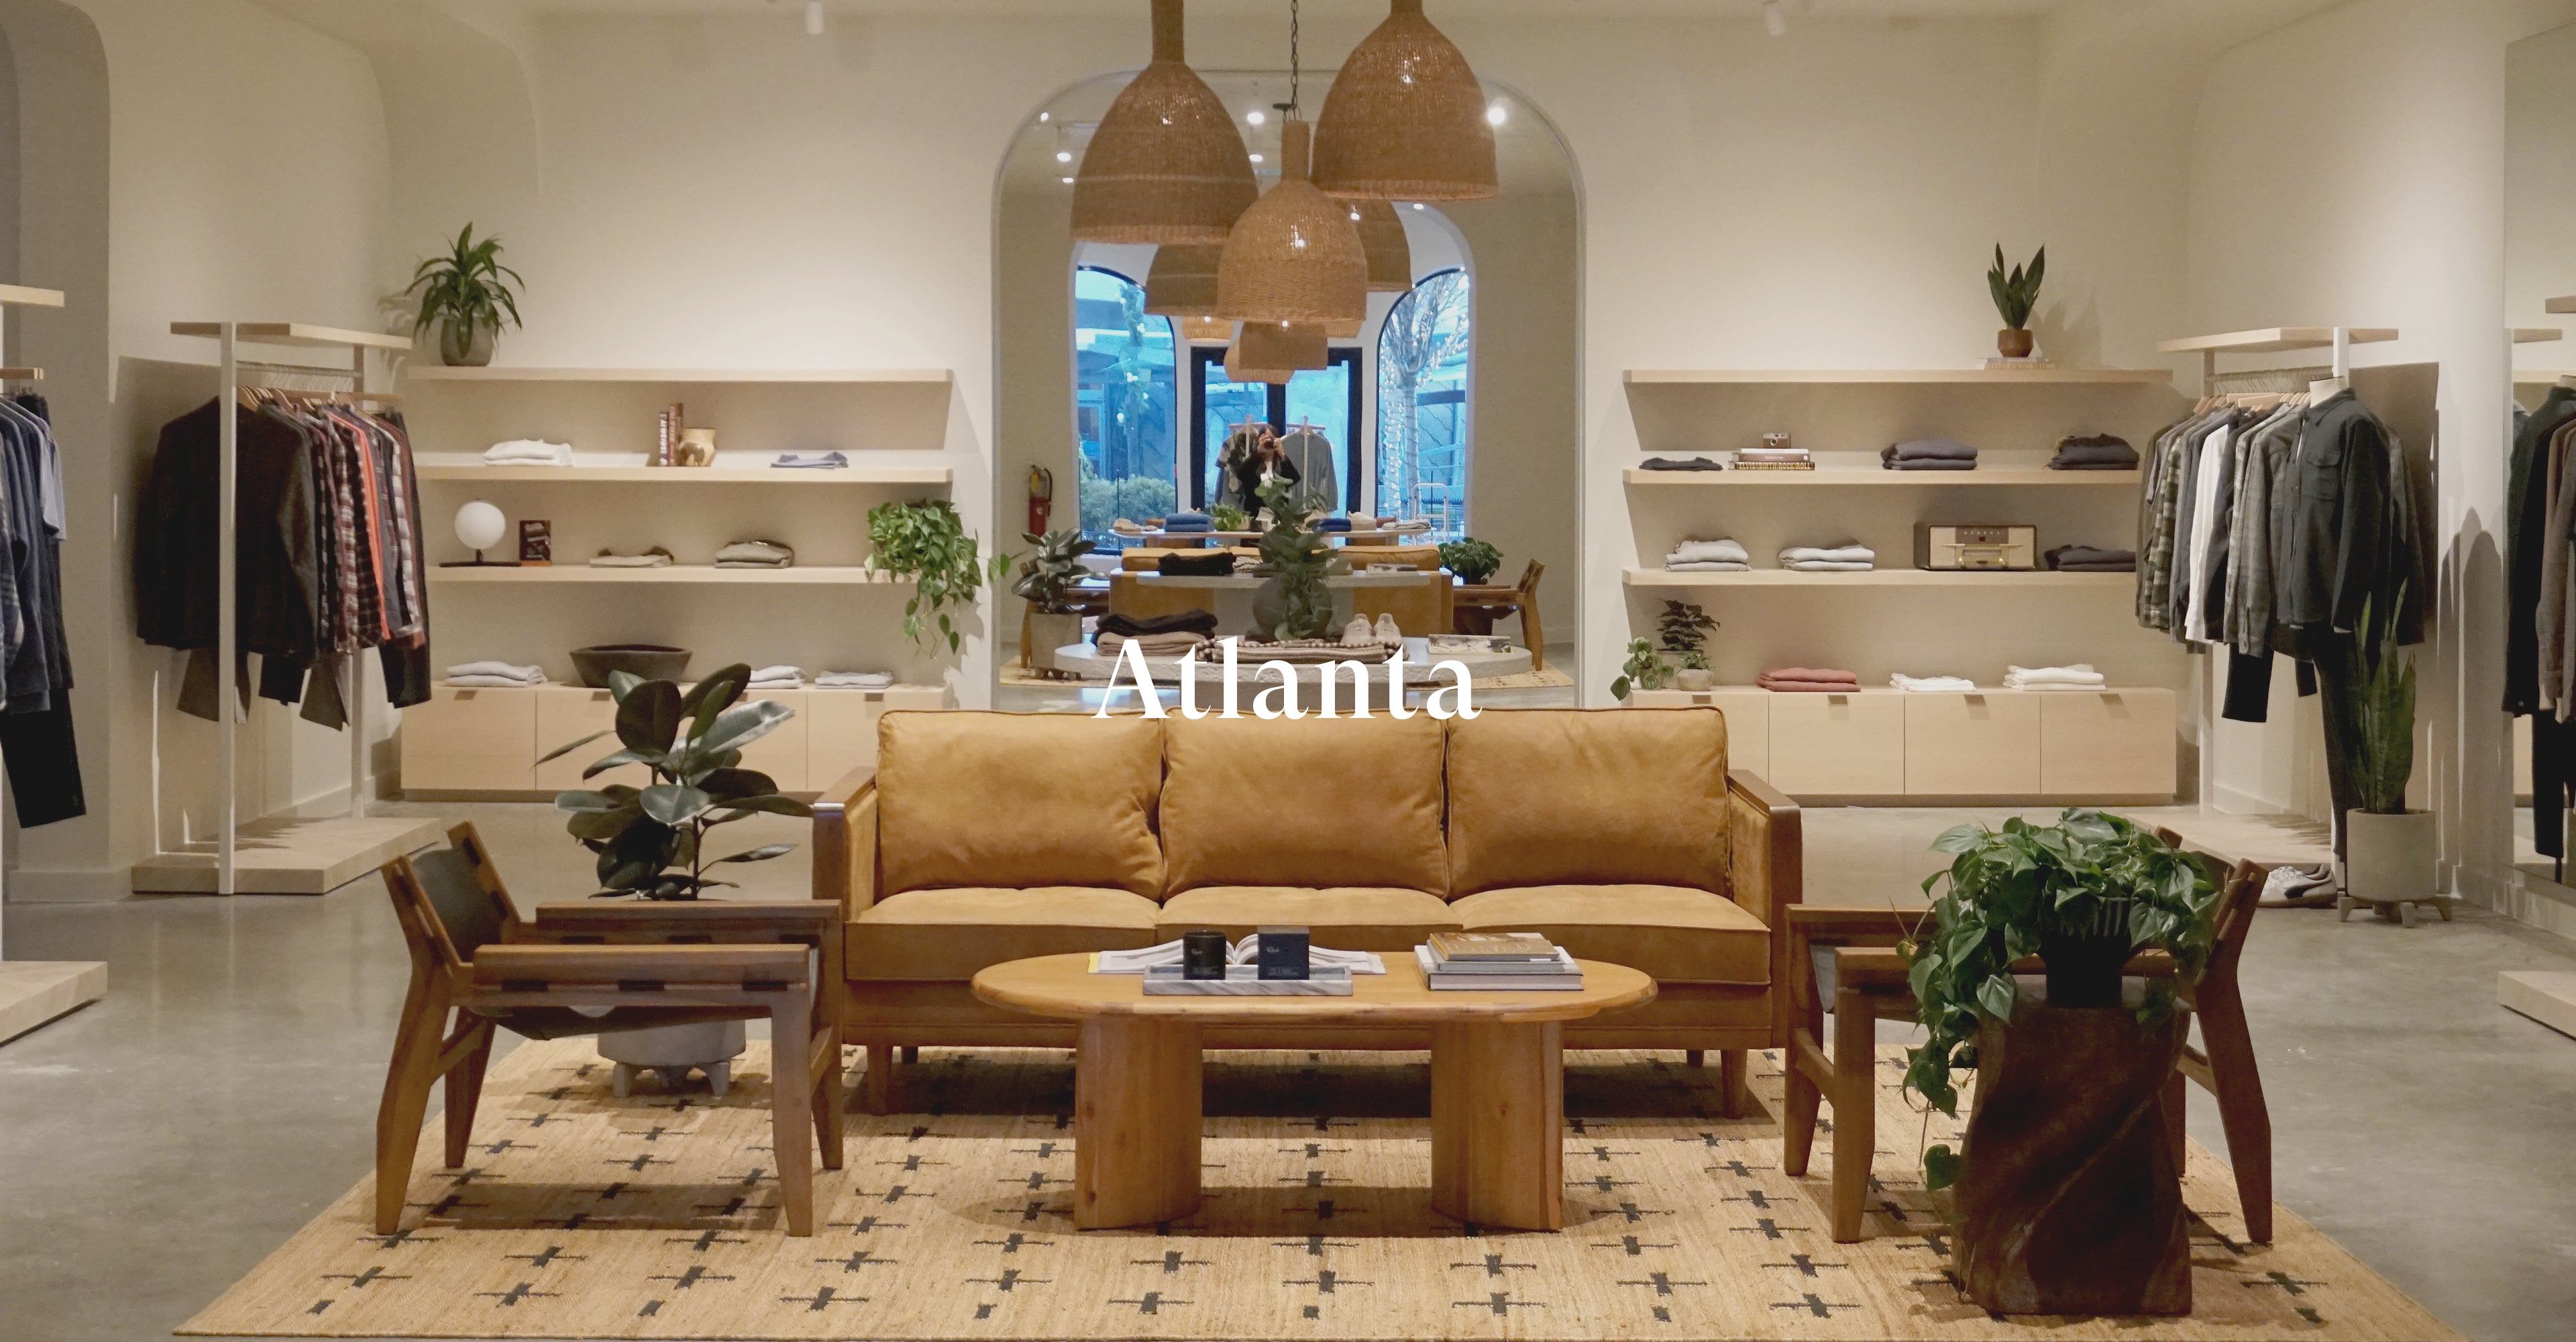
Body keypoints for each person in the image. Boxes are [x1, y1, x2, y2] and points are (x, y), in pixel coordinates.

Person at [1226, 425, 1299, 515]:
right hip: (1254, 515)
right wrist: (1257, 453)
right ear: (1259, 441)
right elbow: (1242, 475)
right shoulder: (1253, 462)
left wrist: (1282, 454)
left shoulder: (1282, 463)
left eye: (1271, 439)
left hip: (1278, 515)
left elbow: (1294, 479)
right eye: (1266, 439)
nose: (1268, 443)